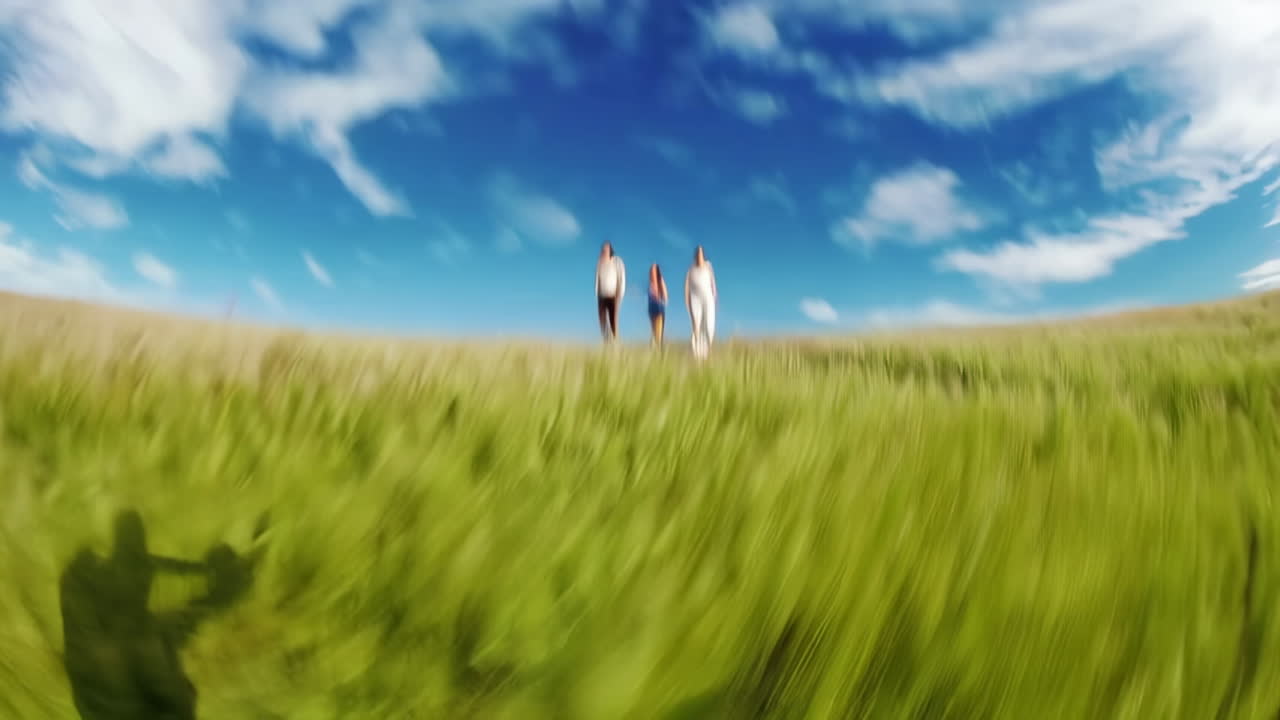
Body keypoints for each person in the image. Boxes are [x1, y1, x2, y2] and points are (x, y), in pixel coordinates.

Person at [685, 245, 718, 360]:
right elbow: (687, 287)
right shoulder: (691, 269)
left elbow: (713, 283)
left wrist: (715, 298)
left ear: (703, 254)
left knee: (709, 325)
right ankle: (696, 355)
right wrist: (687, 303)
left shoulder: (708, 266)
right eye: (697, 253)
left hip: (708, 299)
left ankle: (707, 351)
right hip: (695, 300)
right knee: (696, 327)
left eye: (701, 253)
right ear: (695, 255)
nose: (699, 255)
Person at [595, 241, 626, 343]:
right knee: (602, 321)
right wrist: (597, 294)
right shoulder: (600, 262)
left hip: (613, 295)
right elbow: (597, 280)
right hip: (601, 296)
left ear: (610, 250)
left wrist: (619, 295)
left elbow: (621, 279)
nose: (604, 250)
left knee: (613, 321)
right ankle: (606, 342)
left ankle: (616, 344)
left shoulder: (617, 261)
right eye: (602, 249)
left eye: (606, 248)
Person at [647, 263, 669, 346]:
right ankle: (655, 350)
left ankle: (659, 351)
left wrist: (659, 297)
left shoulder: (661, 281)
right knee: (654, 332)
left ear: (657, 272)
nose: (652, 272)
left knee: (658, 334)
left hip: (659, 309)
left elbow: (666, 297)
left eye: (653, 270)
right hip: (651, 310)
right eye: (651, 271)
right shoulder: (650, 284)